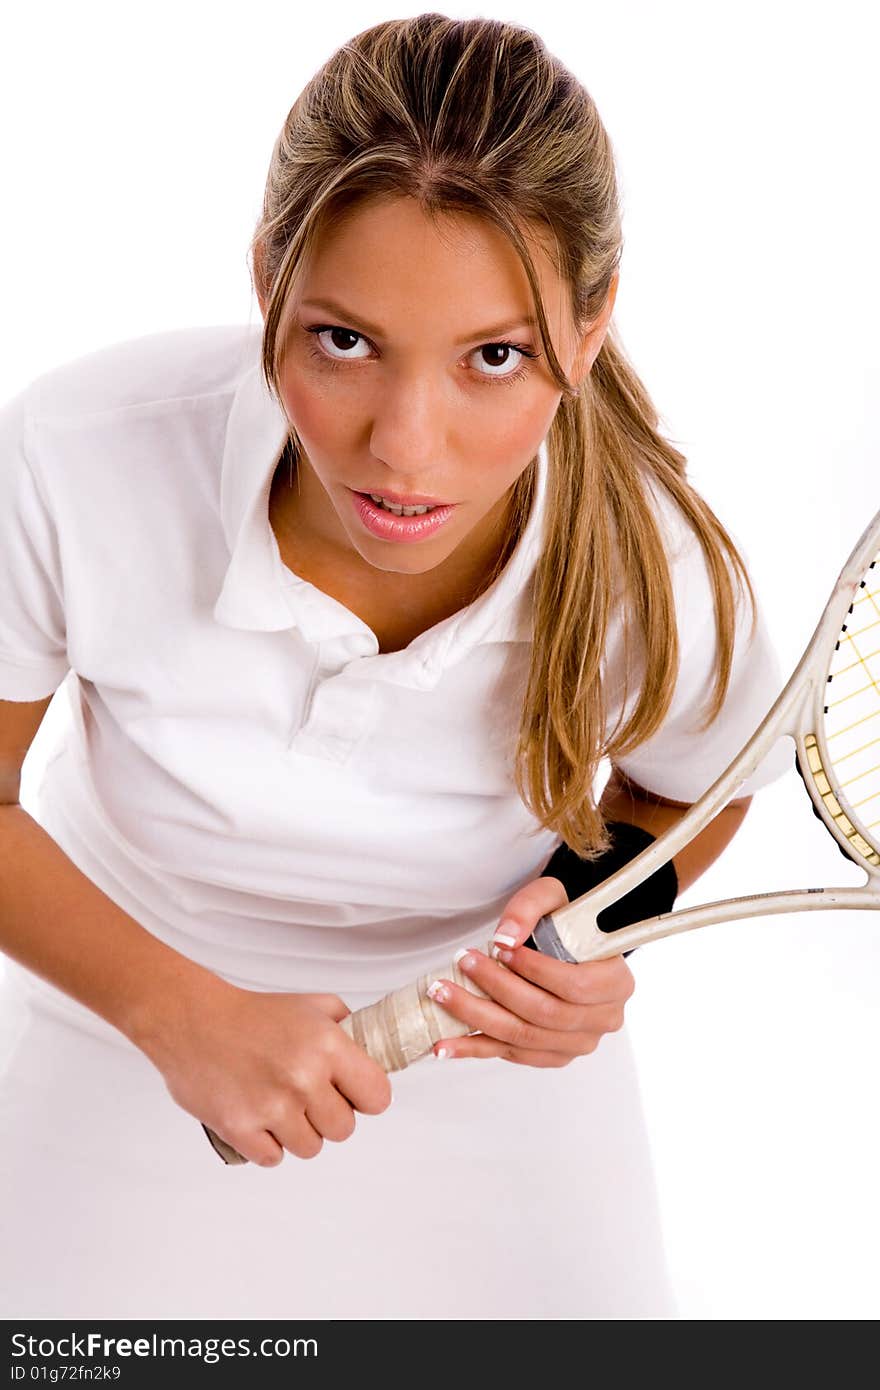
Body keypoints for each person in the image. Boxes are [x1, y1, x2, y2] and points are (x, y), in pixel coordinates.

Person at [0, 14, 790, 1320]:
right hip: (116, 1017)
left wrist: (595, 931)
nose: (406, 448)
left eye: (495, 356)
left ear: (588, 332)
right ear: (267, 284)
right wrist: (177, 1014)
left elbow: (690, 790)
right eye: (345, 342)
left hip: (484, 1067)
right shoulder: (76, 455)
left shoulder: (659, 566)